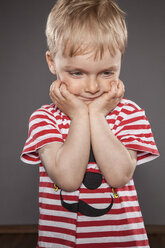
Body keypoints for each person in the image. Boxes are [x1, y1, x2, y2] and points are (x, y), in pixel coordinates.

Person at [21, 0, 159, 247]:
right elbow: (68, 179)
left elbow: (118, 176)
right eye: (77, 73)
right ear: (52, 62)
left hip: (123, 241)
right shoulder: (44, 118)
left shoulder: (131, 114)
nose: (93, 87)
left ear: (120, 62)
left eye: (107, 73)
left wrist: (96, 114)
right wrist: (79, 116)